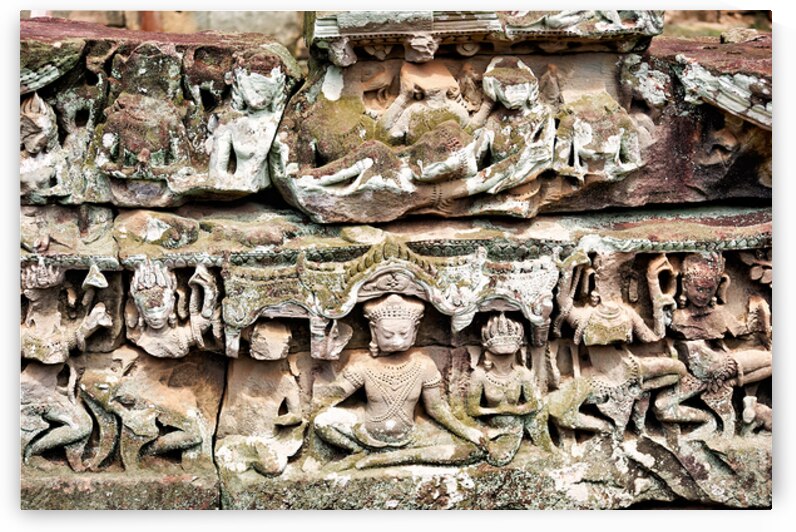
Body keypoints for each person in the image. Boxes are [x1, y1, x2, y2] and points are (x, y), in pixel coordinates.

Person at [313, 294, 486, 470]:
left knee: (472, 450)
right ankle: (358, 451)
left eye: (404, 334)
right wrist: (326, 362)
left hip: (411, 437)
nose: (397, 341)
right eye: (388, 335)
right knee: (322, 421)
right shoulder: (364, 365)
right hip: (366, 433)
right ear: (374, 331)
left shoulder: (423, 364)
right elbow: (333, 395)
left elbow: (435, 408)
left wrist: (466, 431)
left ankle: (380, 459)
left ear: (415, 330)